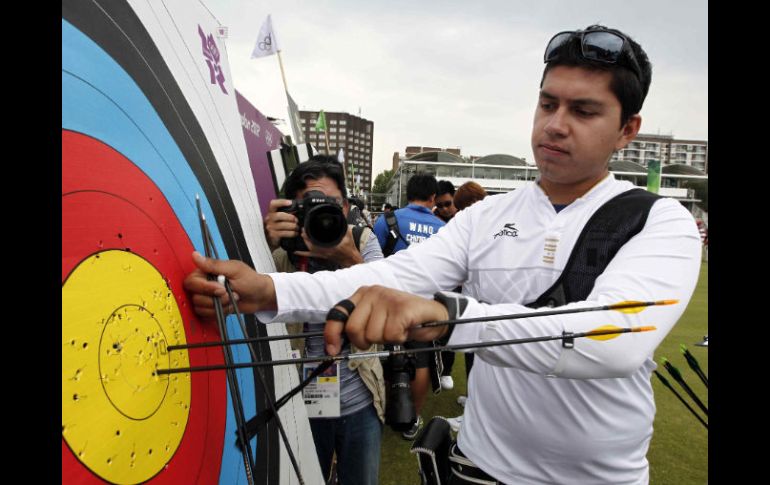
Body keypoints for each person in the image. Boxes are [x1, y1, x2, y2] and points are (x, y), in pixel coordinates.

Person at [185, 24, 702, 484]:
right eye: (548, 104)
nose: (556, 124)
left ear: (628, 130)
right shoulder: (486, 217)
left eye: (584, 110)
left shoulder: (660, 221)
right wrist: (269, 289)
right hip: (479, 467)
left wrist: (449, 319)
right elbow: (396, 275)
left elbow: (612, 339)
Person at [262, 155, 385, 485]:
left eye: (328, 204)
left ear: (344, 207)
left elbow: (386, 304)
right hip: (298, 400)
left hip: (360, 397)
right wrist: (266, 244)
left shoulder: (363, 241)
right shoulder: (282, 252)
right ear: (293, 212)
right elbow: (251, 300)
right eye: (308, 206)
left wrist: (349, 258)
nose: (320, 214)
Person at [372, 173, 446, 439]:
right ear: (433, 198)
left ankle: (386, 408)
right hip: (425, 307)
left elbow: (372, 258)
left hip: (389, 303)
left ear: (408, 194)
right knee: (421, 361)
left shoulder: (387, 220)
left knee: (386, 356)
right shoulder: (442, 228)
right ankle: (412, 418)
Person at [445, 181, 488, 431]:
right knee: (472, 358)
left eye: (461, 207)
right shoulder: (482, 225)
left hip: (483, 307)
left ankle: (473, 417)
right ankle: (472, 402)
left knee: (479, 360)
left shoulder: (482, 228)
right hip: (475, 303)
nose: (459, 213)